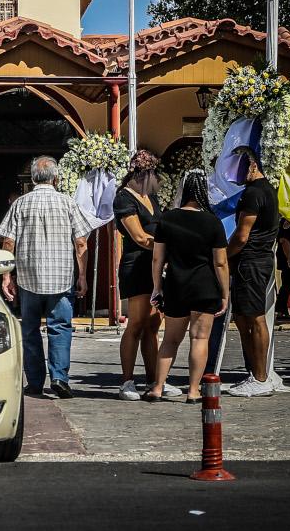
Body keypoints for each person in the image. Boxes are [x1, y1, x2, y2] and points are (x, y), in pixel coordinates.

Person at [0, 155, 90, 399]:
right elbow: (81, 243)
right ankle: (59, 377)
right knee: (60, 327)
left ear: (33, 179)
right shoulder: (68, 204)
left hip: (29, 277)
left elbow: (8, 242)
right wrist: (82, 276)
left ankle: (35, 382)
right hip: (61, 277)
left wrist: (7, 276)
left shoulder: (20, 204)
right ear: (56, 178)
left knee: (30, 329)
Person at [145, 170, 230, 402]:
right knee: (199, 339)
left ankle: (158, 387)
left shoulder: (167, 219)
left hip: (176, 285)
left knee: (171, 340)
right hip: (205, 286)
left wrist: (157, 287)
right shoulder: (213, 221)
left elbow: (157, 259)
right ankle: (193, 391)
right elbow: (220, 262)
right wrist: (225, 292)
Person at [112, 150, 178, 400]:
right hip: (136, 265)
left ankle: (155, 380)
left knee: (153, 325)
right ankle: (127, 381)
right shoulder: (124, 199)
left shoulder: (150, 196)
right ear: (143, 173)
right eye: (154, 174)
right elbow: (139, 237)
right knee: (136, 324)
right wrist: (169, 245)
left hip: (154, 266)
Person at [225, 146, 279, 397]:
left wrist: (223, 255)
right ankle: (256, 374)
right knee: (242, 316)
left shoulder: (254, 192)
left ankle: (260, 377)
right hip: (256, 260)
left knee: (254, 317)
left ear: (254, 165)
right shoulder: (264, 190)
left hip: (252, 261)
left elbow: (242, 235)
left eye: (241, 168)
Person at [275, 219, 290, 323]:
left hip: (287, 257)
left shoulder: (283, 222)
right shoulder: (287, 223)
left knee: (287, 284)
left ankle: (282, 310)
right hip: (289, 257)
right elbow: (284, 241)